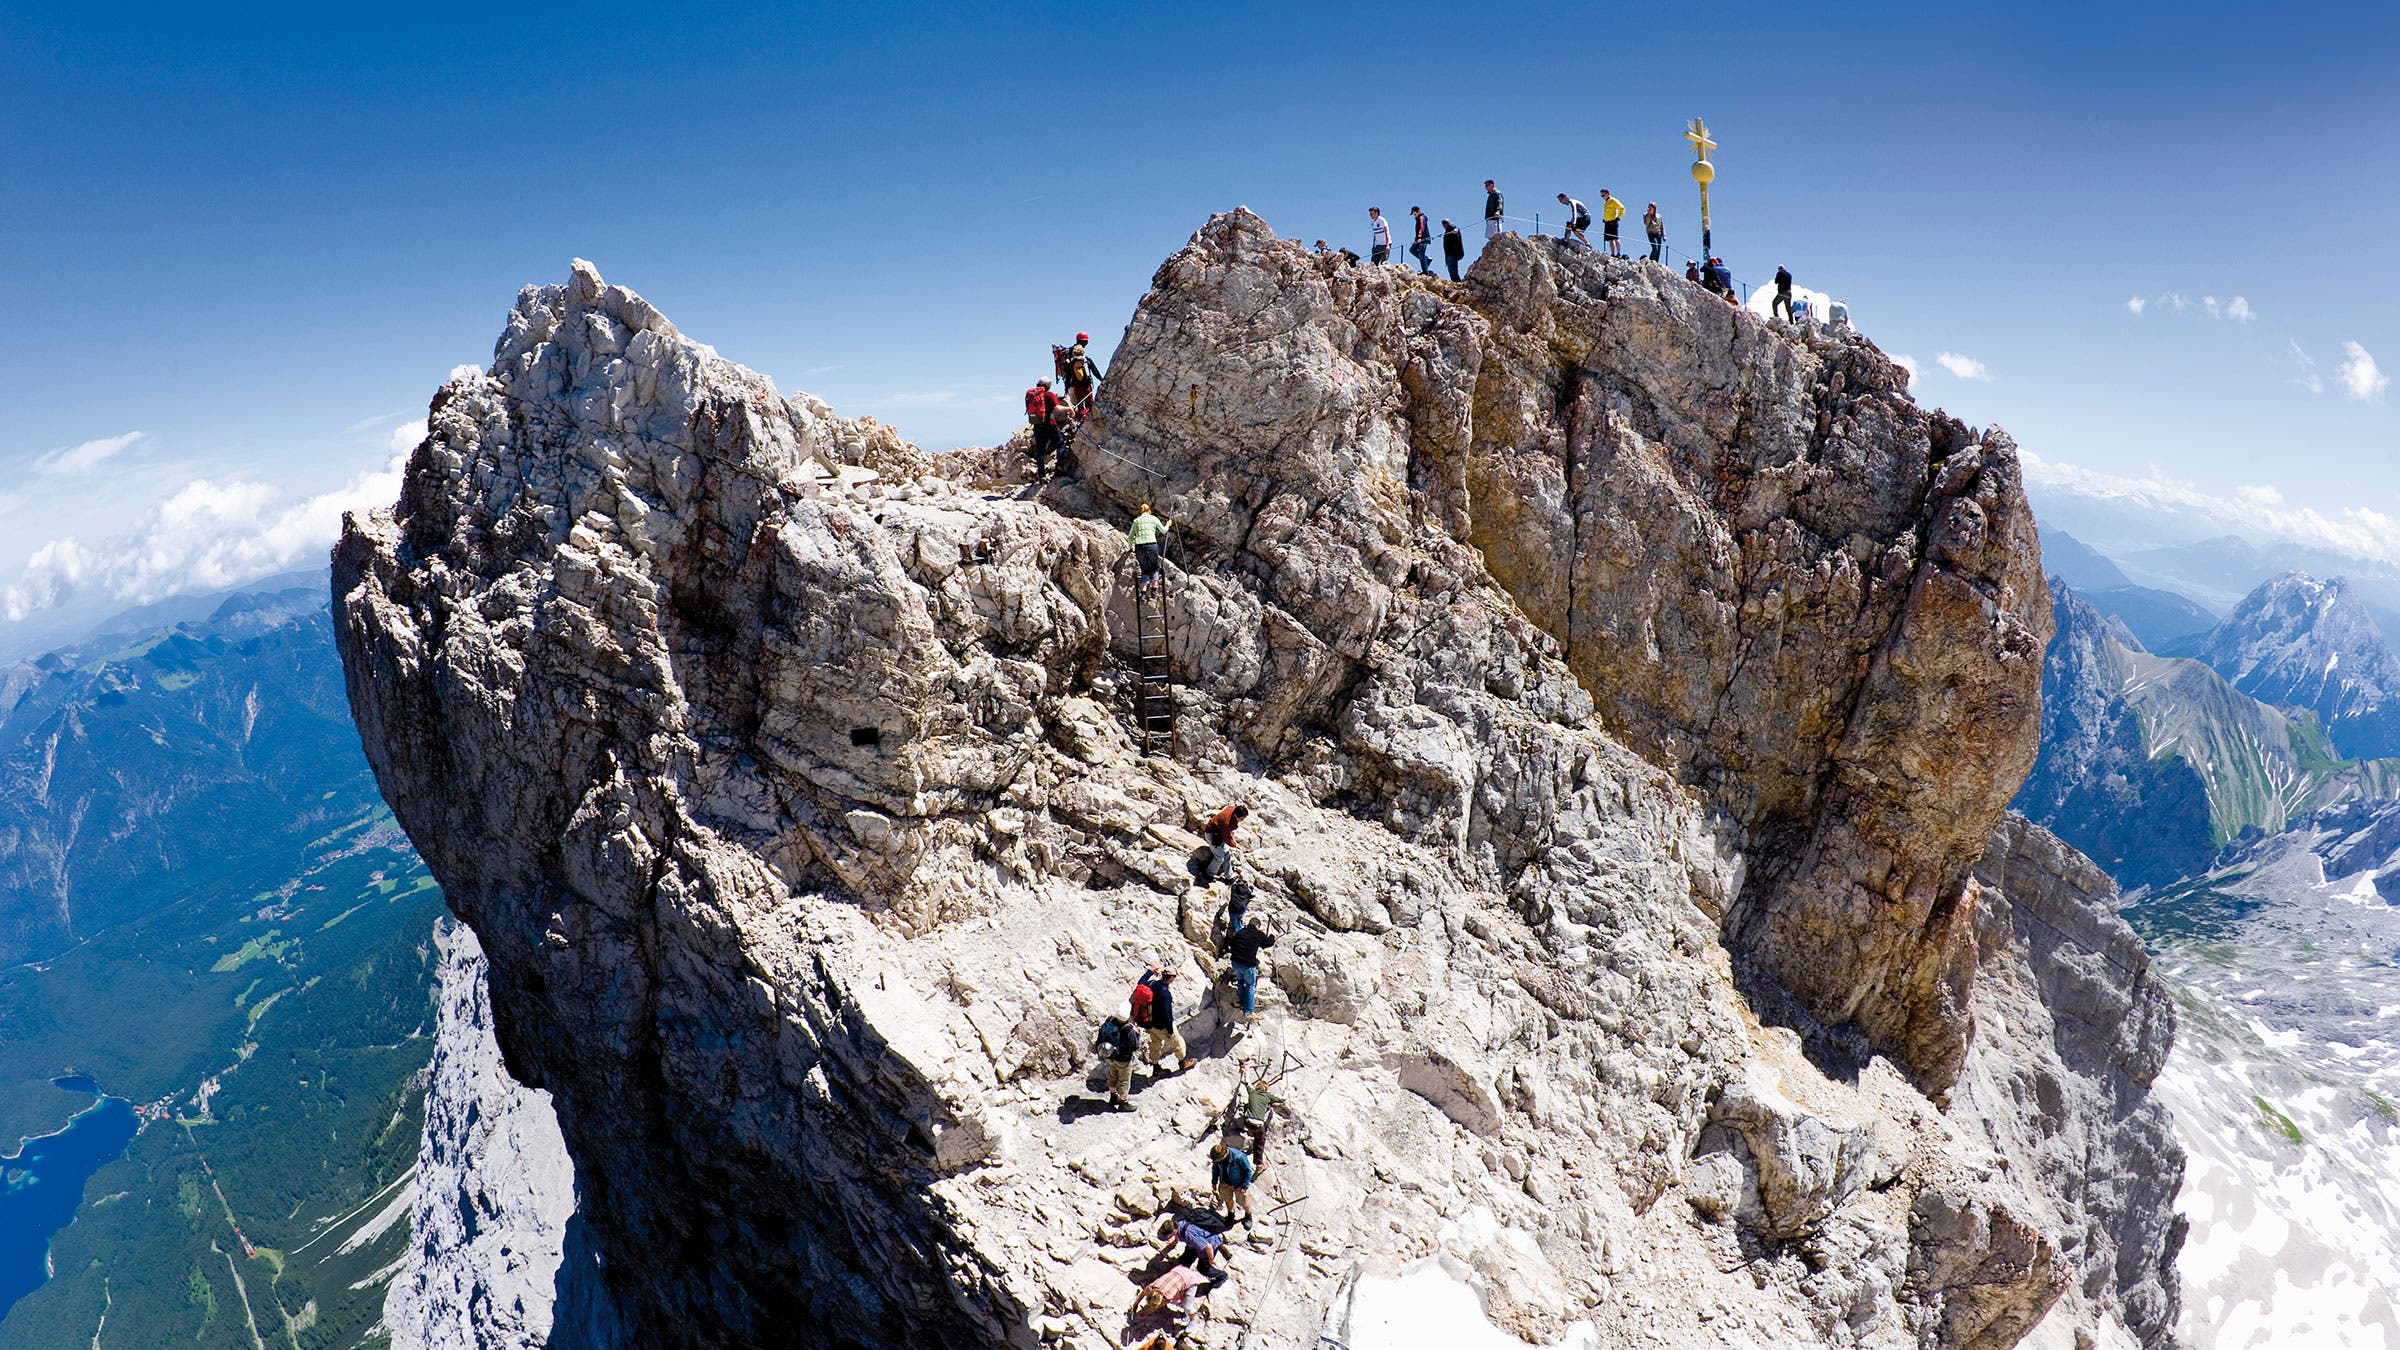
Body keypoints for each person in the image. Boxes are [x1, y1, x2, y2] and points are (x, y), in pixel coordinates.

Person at [1140, 967, 1195, 1075]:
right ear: (1170, 978)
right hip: (1162, 1026)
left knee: (1155, 1044)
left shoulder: (1152, 984)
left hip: (1150, 1024)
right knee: (1178, 1043)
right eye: (1174, 977)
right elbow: (1167, 1015)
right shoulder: (1165, 994)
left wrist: (1149, 971)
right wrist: (1170, 1031)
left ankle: (1156, 1068)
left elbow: (1140, 983)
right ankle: (1182, 1063)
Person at [1158, 1215, 1233, 1292]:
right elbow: (1178, 1235)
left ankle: (1222, 1276)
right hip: (1194, 1245)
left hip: (1209, 1245)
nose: (1168, 1238)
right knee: (1183, 1262)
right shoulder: (1178, 1223)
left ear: (1173, 1231)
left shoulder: (1188, 1234)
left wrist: (1210, 1260)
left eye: (1168, 1236)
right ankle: (1183, 1276)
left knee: (1203, 1269)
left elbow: (1208, 1247)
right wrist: (1174, 1242)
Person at [1227, 916, 1275, 1021]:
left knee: (1240, 981)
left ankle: (1242, 1002)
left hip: (1235, 963)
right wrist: (1272, 935)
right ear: (1257, 926)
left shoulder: (1240, 932)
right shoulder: (1258, 934)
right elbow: (1267, 943)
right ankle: (1248, 1011)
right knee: (1250, 986)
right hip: (1247, 965)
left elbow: (1231, 943)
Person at [1093, 1012, 1139, 1112]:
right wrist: (1136, 1033)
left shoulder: (1109, 1022)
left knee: (1112, 1075)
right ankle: (1123, 1103)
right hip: (1123, 1060)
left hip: (1109, 1057)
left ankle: (1113, 1097)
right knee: (1124, 1080)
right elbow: (1135, 1046)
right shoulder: (1129, 1030)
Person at [1209, 1142, 1258, 1228]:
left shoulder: (1238, 1156)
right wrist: (1214, 1181)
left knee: (1244, 1201)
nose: (1217, 1161)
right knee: (1228, 1199)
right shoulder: (1218, 1160)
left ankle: (1248, 1216)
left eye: (1218, 1159)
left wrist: (1245, 1186)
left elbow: (1248, 1171)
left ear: (1225, 1154)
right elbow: (1215, 1169)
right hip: (1225, 1182)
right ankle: (1230, 1215)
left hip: (1239, 1184)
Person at [1024, 377, 1061, 476]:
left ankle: (1041, 475)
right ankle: (1059, 469)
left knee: (1040, 452)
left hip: (1038, 425)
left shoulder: (1032, 395)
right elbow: (1057, 409)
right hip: (1050, 424)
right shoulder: (1049, 395)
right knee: (1060, 445)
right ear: (1048, 386)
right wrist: (1070, 409)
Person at [1203, 803, 1247, 886]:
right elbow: (1227, 838)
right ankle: (1208, 875)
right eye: (1241, 818)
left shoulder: (1232, 809)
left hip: (1219, 834)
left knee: (1227, 854)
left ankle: (1229, 877)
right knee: (1219, 857)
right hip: (1212, 835)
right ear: (1235, 815)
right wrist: (1235, 845)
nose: (1242, 820)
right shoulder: (1226, 823)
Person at [1062, 331, 1103, 411]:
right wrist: (1101, 379)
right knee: (1090, 405)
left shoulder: (1070, 360)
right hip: (1086, 385)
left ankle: (1079, 420)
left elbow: (1068, 374)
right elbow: (1096, 372)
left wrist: (1066, 388)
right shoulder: (1087, 360)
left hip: (1074, 385)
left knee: (1079, 406)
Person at [1128, 503, 1168, 583]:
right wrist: (1168, 524)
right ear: (1149, 510)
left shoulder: (1136, 521)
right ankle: (1154, 588)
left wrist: (1131, 548)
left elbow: (1130, 537)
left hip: (1139, 547)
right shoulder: (1154, 519)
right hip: (1151, 545)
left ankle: (1143, 592)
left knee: (1144, 569)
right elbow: (1163, 530)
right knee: (1154, 567)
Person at [1599, 190, 1625, 257]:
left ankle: (1618, 253)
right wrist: (1605, 219)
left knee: (1616, 238)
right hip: (1607, 222)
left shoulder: (1613, 201)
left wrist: (1619, 217)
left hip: (1613, 221)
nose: (1602, 197)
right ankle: (1613, 253)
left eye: (1603, 195)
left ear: (1607, 194)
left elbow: (1622, 208)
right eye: (1601, 196)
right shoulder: (1606, 203)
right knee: (1610, 239)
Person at [1408, 206, 1432, 274]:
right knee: (1412, 250)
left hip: (1423, 239)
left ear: (1418, 211)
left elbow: (1422, 227)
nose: (1414, 215)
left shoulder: (1422, 217)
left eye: (1414, 213)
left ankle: (1425, 272)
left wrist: (1419, 237)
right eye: (1413, 214)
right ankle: (1427, 259)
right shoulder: (1418, 218)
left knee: (1421, 254)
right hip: (1419, 239)